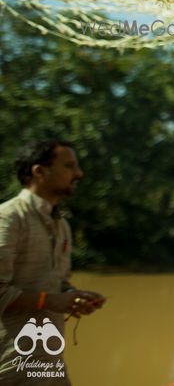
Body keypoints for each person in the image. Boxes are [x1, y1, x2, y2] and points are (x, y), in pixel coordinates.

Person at [0, 139, 106, 385]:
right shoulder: (9, 219)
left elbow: (58, 283)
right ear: (40, 171)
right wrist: (51, 300)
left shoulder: (61, 225)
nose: (78, 173)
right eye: (69, 166)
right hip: (12, 368)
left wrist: (74, 297)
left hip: (49, 365)